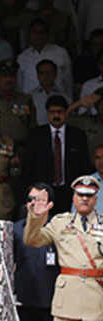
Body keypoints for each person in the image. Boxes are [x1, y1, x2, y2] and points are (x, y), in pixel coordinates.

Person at [23, 175, 103, 321]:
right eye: (80, 194)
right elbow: (32, 240)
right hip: (67, 301)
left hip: (96, 301)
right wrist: (36, 217)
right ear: (73, 198)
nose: (84, 198)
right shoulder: (60, 222)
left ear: (96, 199)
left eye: (89, 195)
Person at [23, 95, 92, 214]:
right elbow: (28, 167)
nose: (56, 116)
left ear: (66, 113)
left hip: (70, 191)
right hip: (43, 192)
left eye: (59, 112)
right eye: (52, 112)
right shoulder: (36, 135)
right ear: (47, 113)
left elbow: (84, 166)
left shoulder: (77, 135)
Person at [14, 182, 60, 321]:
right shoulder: (16, 229)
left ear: (50, 204)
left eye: (39, 200)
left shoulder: (57, 227)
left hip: (52, 300)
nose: (34, 203)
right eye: (30, 199)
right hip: (24, 300)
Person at [17, 18, 72, 99]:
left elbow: (68, 81)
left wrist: (69, 101)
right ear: (29, 34)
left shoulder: (61, 52)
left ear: (47, 34)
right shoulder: (22, 57)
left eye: (41, 32)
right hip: (31, 102)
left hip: (58, 101)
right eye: (35, 32)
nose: (38, 36)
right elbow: (19, 86)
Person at [30, 59, 68, 125]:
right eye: (42, 73)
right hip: (37, 132)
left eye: (49, 72)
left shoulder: (65, 97)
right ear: (37, 76)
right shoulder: (30, 96)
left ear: (55, 74)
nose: (46, 76)